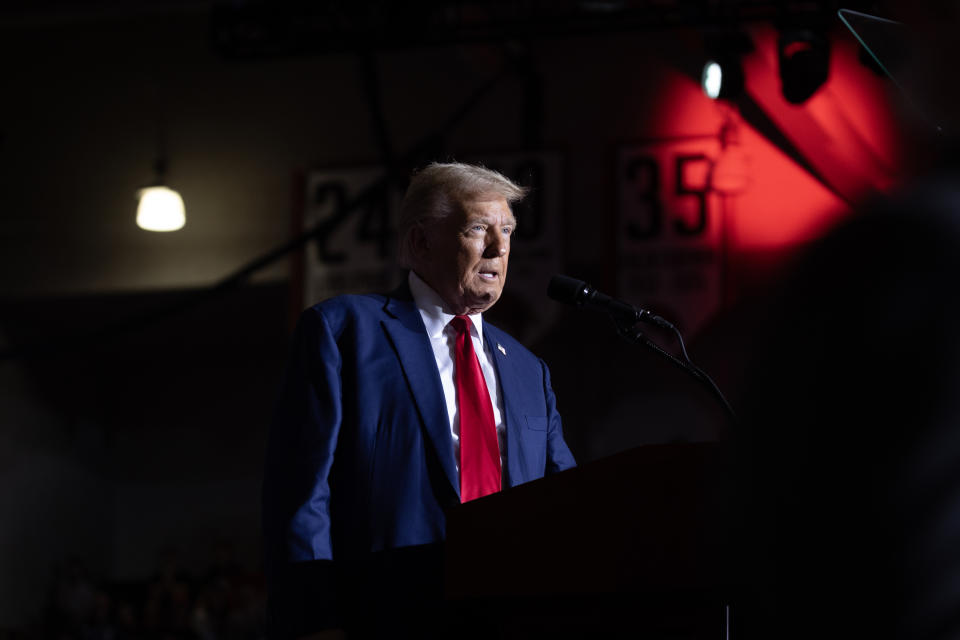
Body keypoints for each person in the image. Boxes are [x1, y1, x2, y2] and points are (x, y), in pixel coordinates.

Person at [263, 162, 576, 638]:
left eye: (507, 230)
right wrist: (314, 621)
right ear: (419, 242)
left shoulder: (529, 370)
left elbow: (567, 501)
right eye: (478, 228)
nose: (499, 247)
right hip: (384, 615)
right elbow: (301, 490)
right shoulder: (345, 331)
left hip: (512, 618)